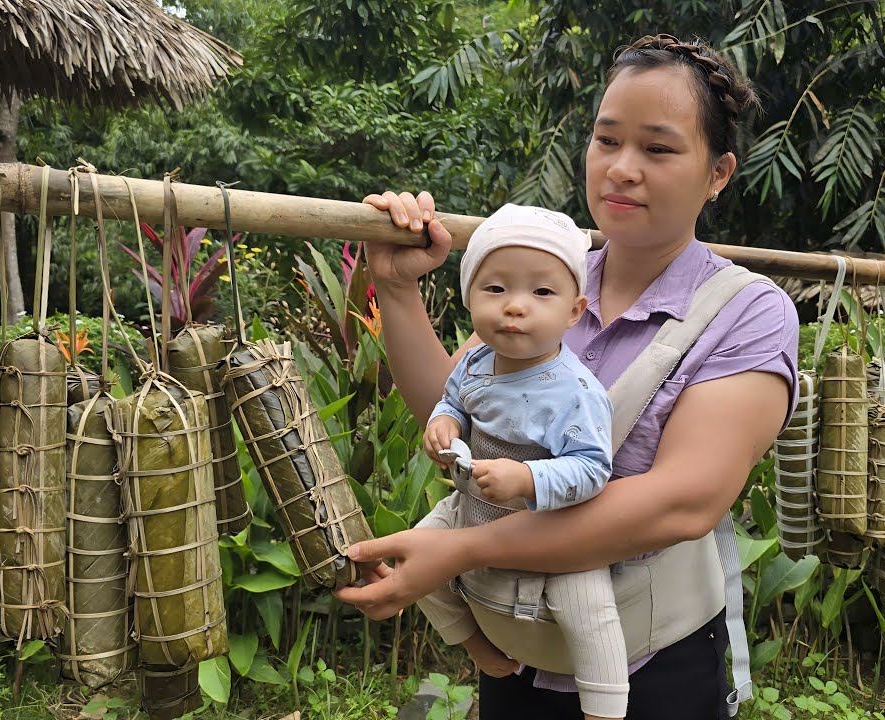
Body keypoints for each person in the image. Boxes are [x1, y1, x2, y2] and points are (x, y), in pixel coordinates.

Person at [338, 33, 799, 720]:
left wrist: (459, 550)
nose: (622, 169)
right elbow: (460, 402)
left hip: (653, 672)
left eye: (659, 148)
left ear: (718, 172)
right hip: (515, 652)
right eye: (606, 140)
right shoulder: (546, 278)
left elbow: (684, 501)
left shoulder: (748, 312)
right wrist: (399, 292)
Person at [417, 202, 628, 720]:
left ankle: (605, 707)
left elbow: (592, 469)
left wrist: (528, 477)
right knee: (416, 558)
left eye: (541, 292)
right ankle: (478, 649)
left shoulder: (574, 392)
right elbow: (454, 401)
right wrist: (443, 424)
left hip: (548, 525)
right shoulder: (474, 359)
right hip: (473, 505)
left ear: (574, 311)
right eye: (496, 289)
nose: (515, 306)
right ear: (469, 297)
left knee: (587, 603)